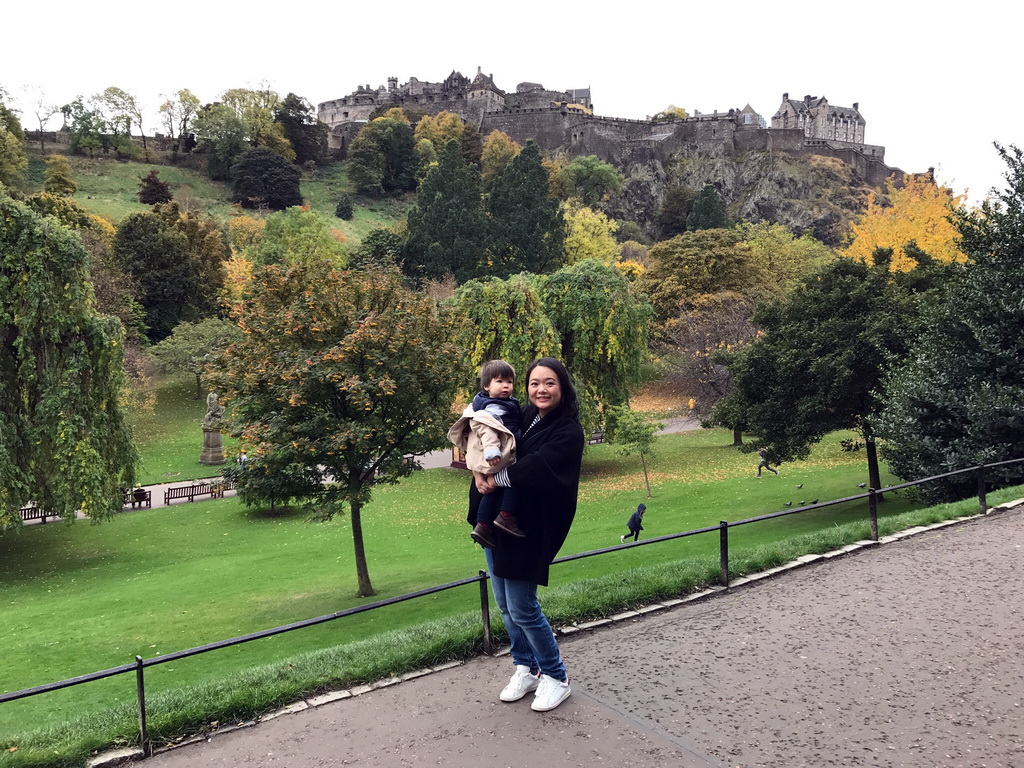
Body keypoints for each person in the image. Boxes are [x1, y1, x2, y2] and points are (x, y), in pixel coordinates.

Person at [472, 358, 585, 713]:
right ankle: (527, 667)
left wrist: (495, 480)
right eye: (534, 383)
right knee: (505, 606)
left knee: (523, 606)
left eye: (549, 383)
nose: (540, 390)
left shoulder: (568, 430)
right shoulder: (520, 415)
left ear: (562, 386)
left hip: (530, 528)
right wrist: (478, 472)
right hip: (497, 522)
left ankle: (556, 675)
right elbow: (487, 435)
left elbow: (538, 468)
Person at [447, 361, 525, 549]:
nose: (506, 386)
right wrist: (492, 451)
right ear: (486, 386)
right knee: (511, 482)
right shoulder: (492, 407)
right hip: (498, 454)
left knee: (490, 489)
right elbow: (487, 430)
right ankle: (505, 516)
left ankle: (482, 524)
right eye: (500, 381)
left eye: (509, 382)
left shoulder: (497, 403)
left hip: (497, 454)